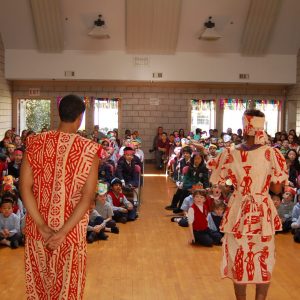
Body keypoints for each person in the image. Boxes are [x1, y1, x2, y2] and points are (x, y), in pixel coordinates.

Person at [19, 94, 99, 300]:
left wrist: (43, 226)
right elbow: (87, 197)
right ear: (80, 117)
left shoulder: (34, 142)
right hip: (71, 233)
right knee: (68, 291)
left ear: (59, 113)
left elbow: (24, 187)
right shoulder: (89, 149)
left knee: (38, 289)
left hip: (38, 231)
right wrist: (62, 232)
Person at [208, 109, 288, 300]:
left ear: (244, 128)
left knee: (239, 259)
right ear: (262, 127)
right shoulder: (271, 153)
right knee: (263, 260)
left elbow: (219, 182)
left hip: (238, 212)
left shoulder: (229, 153)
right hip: (262, 212)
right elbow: (277, 189)